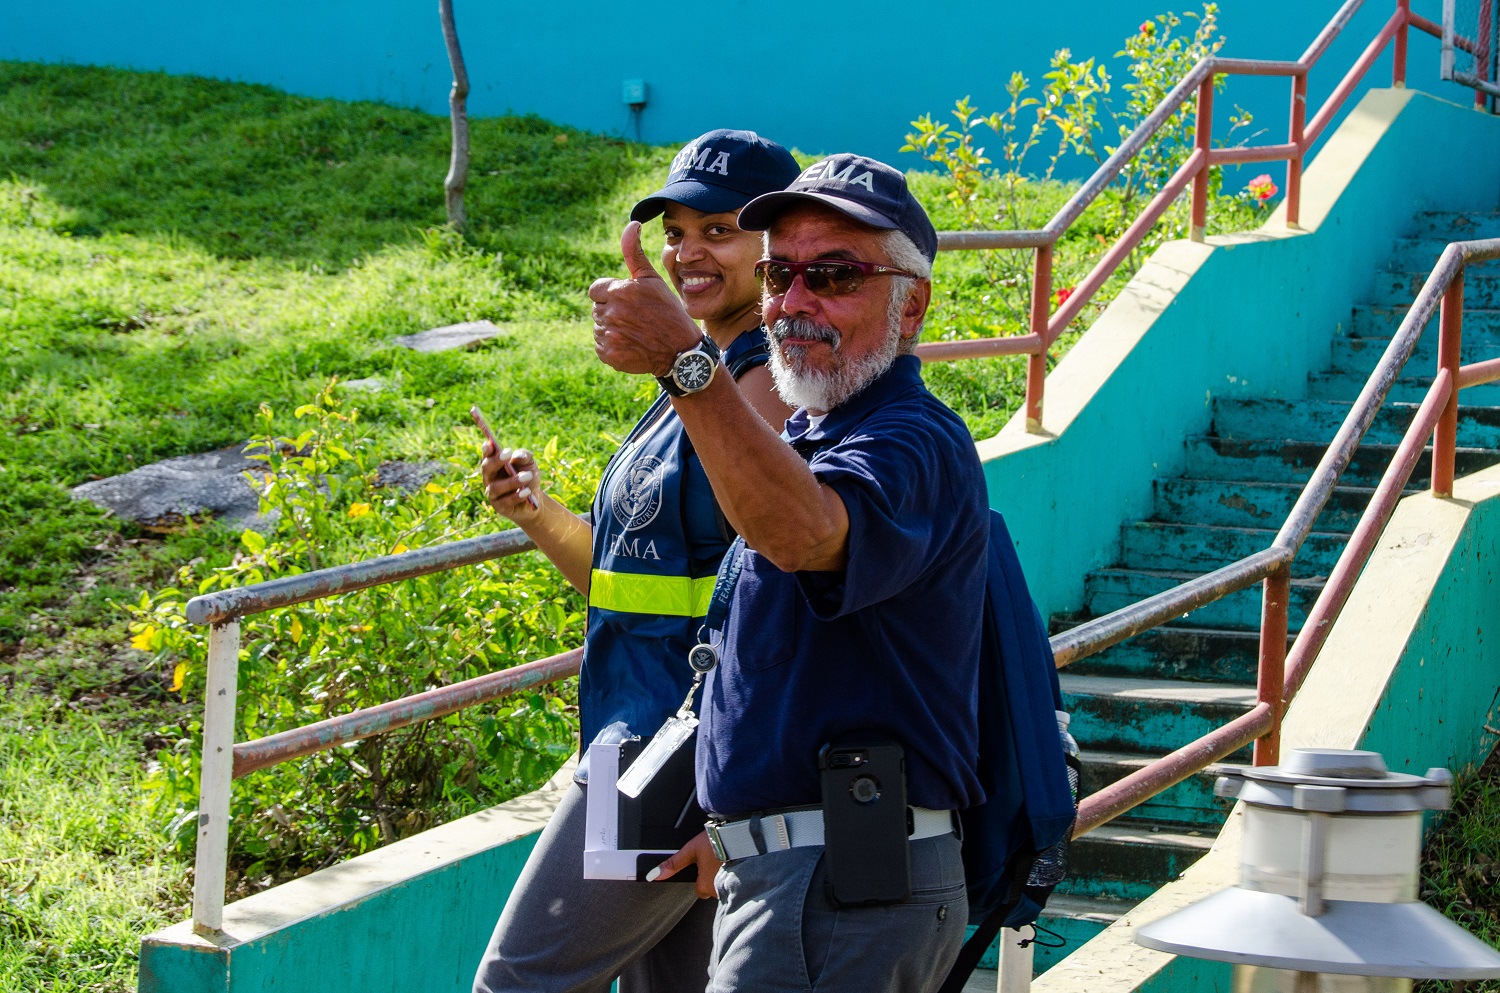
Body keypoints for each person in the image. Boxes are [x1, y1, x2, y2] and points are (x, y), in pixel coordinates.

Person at [587, 153, 989, 993]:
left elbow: (803, 534)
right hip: (792, 874)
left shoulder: (911, 439)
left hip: (840, 886)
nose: (796, 302)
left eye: (836, 274)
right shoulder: (814, 437)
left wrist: (687, 365)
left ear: (911, 305)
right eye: (780, 273)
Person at [471, 130, 799, 993]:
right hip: (633, 739)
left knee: (518, 981)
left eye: (719, 230)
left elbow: (783, 564)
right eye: (677, 230)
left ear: (776, 245)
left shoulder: (759, 378)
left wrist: (730, 803)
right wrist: (535, 514)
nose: (690, 252)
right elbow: (628, 588)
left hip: (680, 749)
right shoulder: (698, 381)